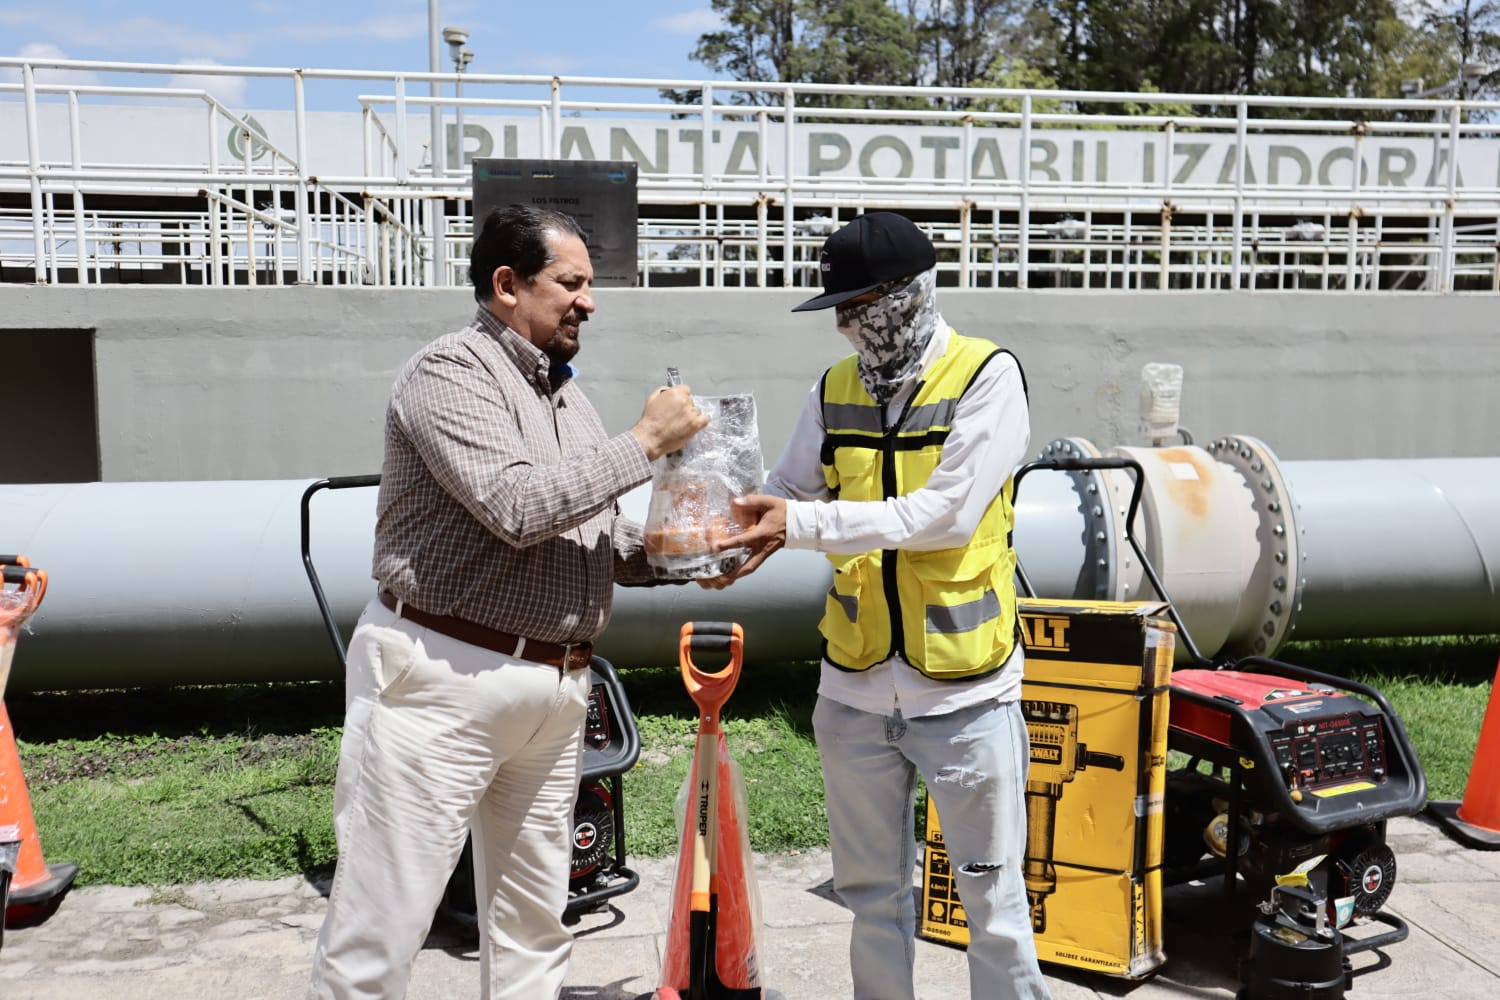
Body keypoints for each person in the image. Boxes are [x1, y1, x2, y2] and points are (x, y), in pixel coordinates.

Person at [307, 204, 709, 1000]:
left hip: (554, 689)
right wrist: (645, 443)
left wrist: (691, 551)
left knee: (534, 924)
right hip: (441, 679)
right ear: (506, 284)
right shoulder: (448, 373)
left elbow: (591, 535)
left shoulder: (568, 399)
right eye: (571, 283)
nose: (589, 301)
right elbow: (519, 508)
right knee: (380, 931)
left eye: (589, 284)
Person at [709, 212, 1050, 1000]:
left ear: (908, 294)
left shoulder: (986, 377)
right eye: (838, 308)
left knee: (993, 905)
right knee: (870, 900)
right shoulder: (834, 388)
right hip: (854, 690)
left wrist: (797, 525)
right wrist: (727, 530)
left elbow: (946, 516)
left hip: (966, 694)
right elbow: (789, 488)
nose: (845, 324)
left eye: (859, 305)